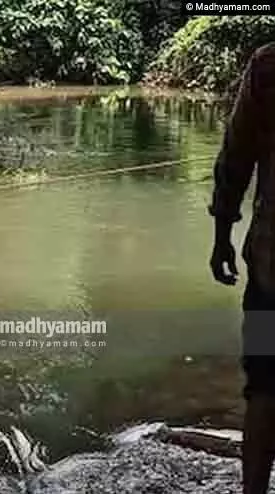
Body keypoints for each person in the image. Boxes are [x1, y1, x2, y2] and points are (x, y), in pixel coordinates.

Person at [210, 42, 275, 494]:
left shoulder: (267, 66)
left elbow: (235, 158)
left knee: (265, 384)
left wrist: (221, 240)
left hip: (271, 273)